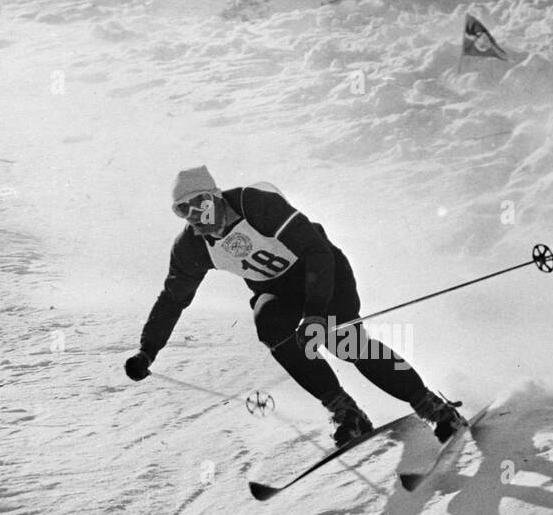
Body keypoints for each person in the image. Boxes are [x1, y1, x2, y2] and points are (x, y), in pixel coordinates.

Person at [125, 167, 466, 446]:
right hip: (279, 290)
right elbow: (173, 299)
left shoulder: (255, 204)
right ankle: (345, 410)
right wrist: (147, 350)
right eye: (183, 212)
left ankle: (430, 405)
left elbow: (316, 250)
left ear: (215, 196)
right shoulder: (192, 247)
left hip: (322, 270)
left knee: (343, 343)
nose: (196, 219)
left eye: (199, 206)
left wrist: (316, 312)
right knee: (269, 323)